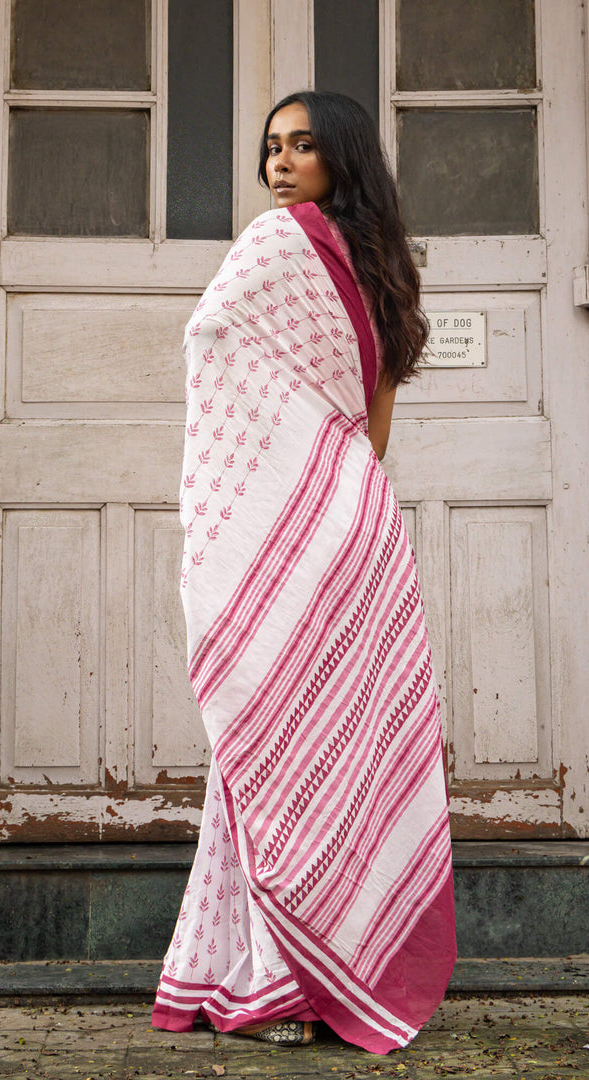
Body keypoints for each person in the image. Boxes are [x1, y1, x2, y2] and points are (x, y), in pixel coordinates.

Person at [151, 91, 456, 1055]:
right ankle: (310, 978)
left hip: (305, 524)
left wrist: (276, 486)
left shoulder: (282, 247)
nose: (280, 165)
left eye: (304, 147)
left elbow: (211, 342)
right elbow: (373, 425)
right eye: (271, 148)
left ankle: (279, 985)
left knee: (278, 760)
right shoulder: (379, 267)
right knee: (328, 756)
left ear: (344, 157)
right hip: (356, 518)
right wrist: (333, 482)